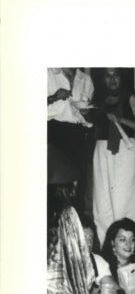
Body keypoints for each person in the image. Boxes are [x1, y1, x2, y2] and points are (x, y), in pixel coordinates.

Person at [90, 68, 135, 246]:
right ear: (103, 79)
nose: (112, 79)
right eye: (108, 75)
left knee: (122, 204)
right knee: (101, 204)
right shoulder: (97, 99)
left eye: (116, 74)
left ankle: (126, 248)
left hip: (124, 150)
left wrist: (120, 119)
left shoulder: (130, 97)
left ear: (121, 77)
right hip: (101, 150)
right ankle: (105, 248)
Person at [47, 68, 95, 208]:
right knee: (54, 184)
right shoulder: (48, 72)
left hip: (78, 133)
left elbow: (88, 112)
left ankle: (76, 223)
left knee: (78, 183)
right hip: (53, 130)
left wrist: (86, 112)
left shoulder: (86, 79)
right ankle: (52, 225)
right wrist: (53, 97)